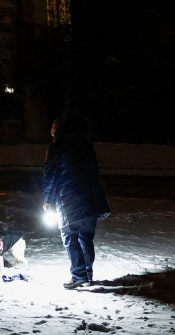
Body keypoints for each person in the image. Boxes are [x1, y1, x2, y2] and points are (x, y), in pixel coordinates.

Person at [42, 116, 110, 289]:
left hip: (69, 201)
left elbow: (51, 175)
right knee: (86, 238)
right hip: (92, 201)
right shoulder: (86, 146)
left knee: (70, 238)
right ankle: (87, 273)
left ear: (57, 130)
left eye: (53, 128)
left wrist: (46, 199)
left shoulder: (57, 148)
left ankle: (79, 276)